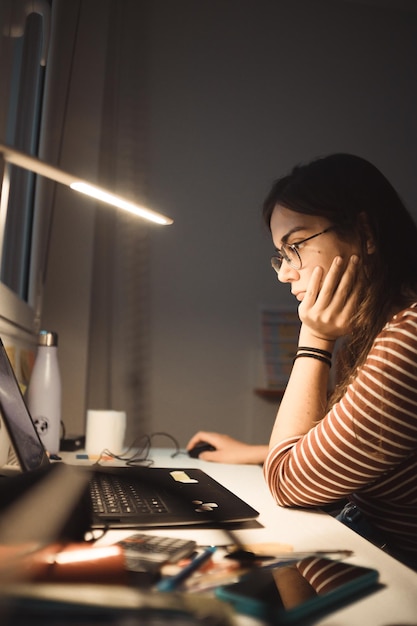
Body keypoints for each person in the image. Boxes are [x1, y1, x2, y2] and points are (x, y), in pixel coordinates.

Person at [189, 153, 417, 570]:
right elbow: (349, 448)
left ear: (365, 233)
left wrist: (314, 338)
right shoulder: (378, 329)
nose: (284, 273)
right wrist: (258, 452)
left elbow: (288, 483)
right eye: (281, 254)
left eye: (294, 246)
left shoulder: (409, 339)